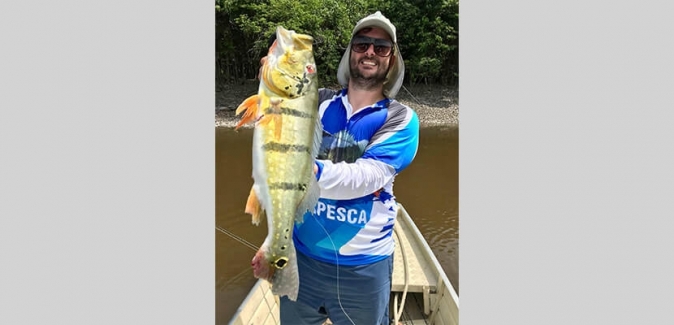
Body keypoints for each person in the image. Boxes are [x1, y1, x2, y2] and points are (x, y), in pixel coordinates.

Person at [279, 11, 420, 325]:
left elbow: (367, 177)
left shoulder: (400, 118)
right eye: (362, 44)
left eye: (381, 47)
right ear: (350, 52)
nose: (370, 51)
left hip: (364, 269)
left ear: (392, 60)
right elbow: (277, 106)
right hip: (304, 260)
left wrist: (308, 170)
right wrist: (275, 69)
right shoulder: (319, 102)